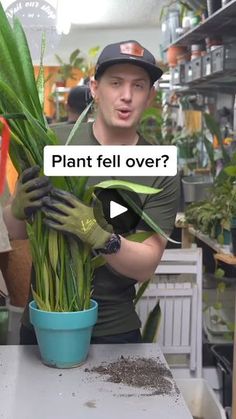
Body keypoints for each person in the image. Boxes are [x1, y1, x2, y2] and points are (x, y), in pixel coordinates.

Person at [3, 40, 179, 344]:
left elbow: (147, 262)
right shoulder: (51, 144)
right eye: (116, 84)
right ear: (95, 88)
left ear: (150, 96)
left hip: (114, 330)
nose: (126, 96)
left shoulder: (160, 167)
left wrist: (99, 235)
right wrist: (17, 208)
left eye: (138, 86)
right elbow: (16, 232)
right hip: (45, 323)